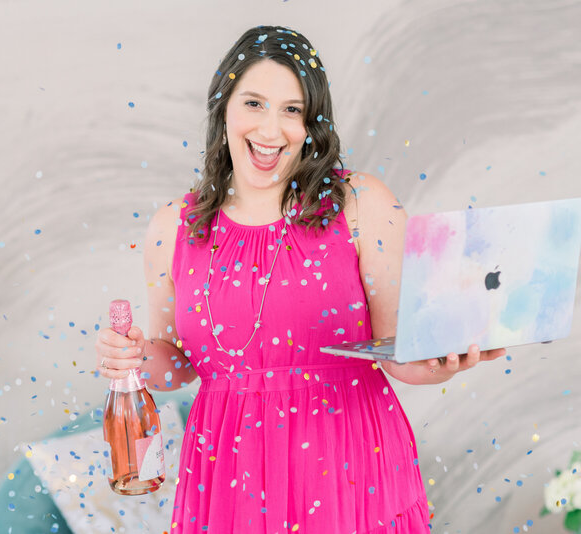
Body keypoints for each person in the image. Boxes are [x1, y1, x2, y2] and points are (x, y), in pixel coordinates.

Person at [95, 25, 507, 533]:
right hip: (228, 476)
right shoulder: (172, 228)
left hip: (350, 467)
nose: (272, 130)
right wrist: (132, 357)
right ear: (223, 106)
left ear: (312, 122)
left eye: (292, 110)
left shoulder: (360, 205)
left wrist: (442, 365)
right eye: (254, 103)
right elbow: (176, 365)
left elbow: (400, 353)